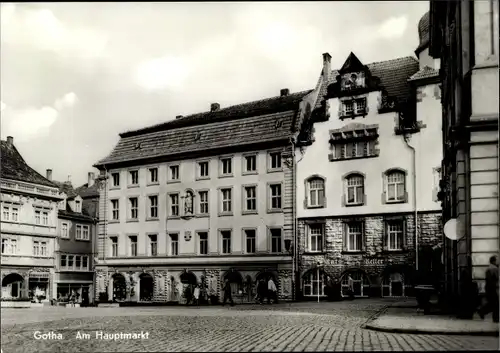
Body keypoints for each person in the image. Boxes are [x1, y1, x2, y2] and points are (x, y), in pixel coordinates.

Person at [479, 255, 499, 323]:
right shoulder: (495, 268)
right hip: (492, 288)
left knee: (492, 303)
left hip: (488, 288)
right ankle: (495, 318)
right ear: (494, 261)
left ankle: (482, 311)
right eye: (496, 260)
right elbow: (496, 278)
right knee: (496, 303)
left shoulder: (488, 268)